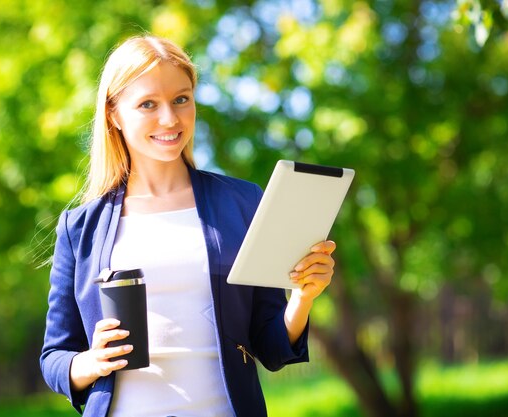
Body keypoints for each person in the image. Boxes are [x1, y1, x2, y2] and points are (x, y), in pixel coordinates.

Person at [40, 34, 336, 417]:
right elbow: (54, 358)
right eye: (148, 104)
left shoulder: (241, 203)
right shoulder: (80, 229)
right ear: (114, 114)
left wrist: (303, 297)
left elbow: (272, 345)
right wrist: (93, 362)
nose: (170, 118)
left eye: (181, 99)